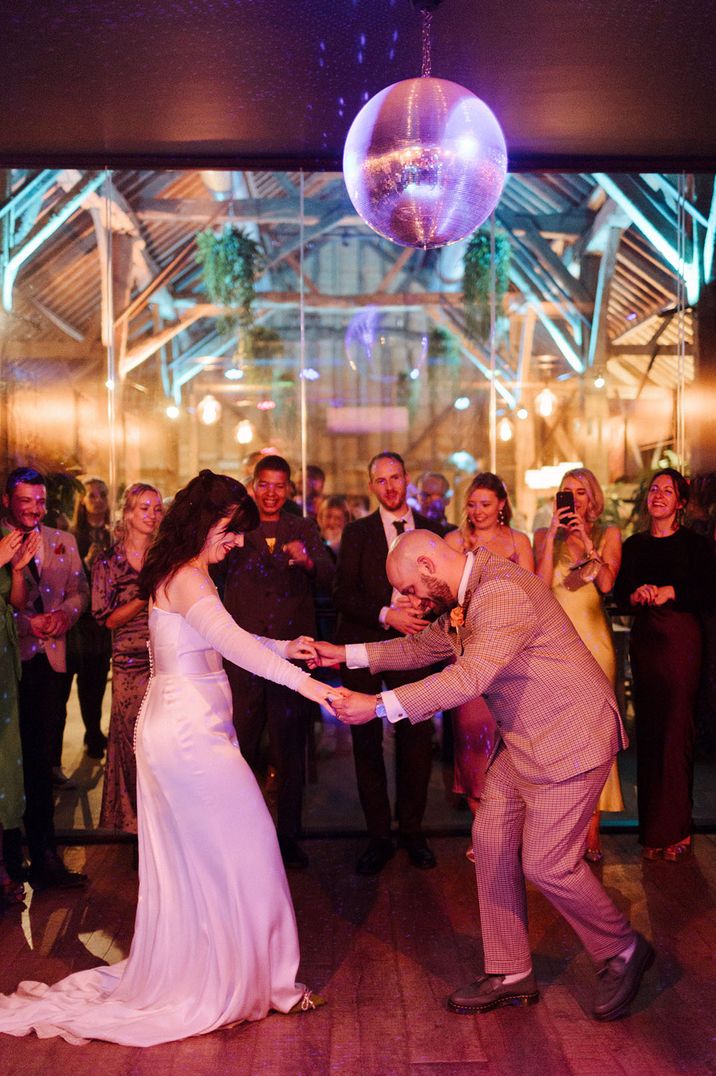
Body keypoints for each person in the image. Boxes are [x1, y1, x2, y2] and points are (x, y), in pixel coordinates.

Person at [0, 470, 334, 1046]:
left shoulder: (190, 575)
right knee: (248, 846)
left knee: (210, 858)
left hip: (191, 728)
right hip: (186, 737)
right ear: (205, 523)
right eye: (231, 531)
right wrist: (317, 689)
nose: (236, 543)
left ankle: (229, 972)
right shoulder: (187, 580)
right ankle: (257, 982)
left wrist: (287, 646)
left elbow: (221, 639)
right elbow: (233, 648)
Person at [314, 530, 654, 1021]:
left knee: (547, 864)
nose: (410, 599)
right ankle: (511, 970)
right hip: (526, 736)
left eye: (409, 588)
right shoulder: (469, 591)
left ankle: (622, 948)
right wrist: (345, 654)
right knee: (492, 839)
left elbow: (468, 679)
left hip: (571, 734)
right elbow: (421, 649)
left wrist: (380, 706)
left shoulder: (499, 593)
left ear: (429, 565)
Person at [221, 455, 335, 870]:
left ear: (289, 489)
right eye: (264, 485)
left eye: (279, 486)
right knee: (242, 745)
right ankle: (240, 835)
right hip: (243, 653)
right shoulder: (235, 527)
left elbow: (327, 573)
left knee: (289, 750)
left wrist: (306, 560)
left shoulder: (302, 527)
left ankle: (287, 837)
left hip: (290, 656)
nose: (271, 493)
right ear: (253, 485)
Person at [333, 452, 443, 875]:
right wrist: (386, 613)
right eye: (381, 480)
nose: (390, 486)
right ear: (371, 486)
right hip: (365, 644)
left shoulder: (432, 533)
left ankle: (412, 831)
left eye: (395, 477)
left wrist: (425, 610)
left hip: (417, 645)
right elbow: (341, 594)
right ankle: (378, 836)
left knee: (416, 741)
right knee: (366, 744)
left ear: (407, 479)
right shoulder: (357, 532)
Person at [614, 468, 715, 861]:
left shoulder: (694, 544)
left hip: (680, 639)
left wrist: (673, 590)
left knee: (676, 730)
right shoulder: (635, 544)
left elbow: (709, 591)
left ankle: (678, 831)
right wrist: (636, 593)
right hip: (646, 642)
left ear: (681, 503)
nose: (657, 495)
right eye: (654, 489)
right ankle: (654, 832)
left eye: (667, 491)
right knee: (651, 732)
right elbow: (620, 593)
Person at [1, 468, 88, 892]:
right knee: (10, 764)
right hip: (9, 664)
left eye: (40, 501)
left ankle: (45, 855)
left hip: (49, 663)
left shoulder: (63, 541)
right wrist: (25, 624)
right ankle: (10, 860)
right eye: (26, 502)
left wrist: (63, 616)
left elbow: (80, 593)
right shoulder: (2, 545)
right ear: (7, 501)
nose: (36, 509)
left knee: (41, 762)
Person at [534, 468, 624, 861]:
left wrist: (587, 542)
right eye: (565, 493)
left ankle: (591, 834)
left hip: (594, 645)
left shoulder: (608, 535)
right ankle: (561, 832)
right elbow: (537, 588)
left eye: (580, 492)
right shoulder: (543, 537)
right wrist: (553, 536)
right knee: (558, 740)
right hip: (554, 650)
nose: (573, 499)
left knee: (595, 741)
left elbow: (606, 584)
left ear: (592, 499)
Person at [445, 474, 534, 852]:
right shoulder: (454, 542)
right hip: (469, 652)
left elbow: (533, 594)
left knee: (513, 742)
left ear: (502, 503)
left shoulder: (518, 542)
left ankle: (512, 833)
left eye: (485, 504)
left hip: (512, 654)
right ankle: (484, 835)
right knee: (473, 740)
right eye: (472, 504)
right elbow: (439, 594)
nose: (477, 511)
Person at [92, 483, 163, 834]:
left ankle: (164, 825)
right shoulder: (108, 561)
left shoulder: (165, 558)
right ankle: (138, 827)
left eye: (157, 508)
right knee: (135, 743)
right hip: (129, 663)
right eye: (144, 508)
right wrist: (142, 597)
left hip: (165, 660)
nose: (152, 515)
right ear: (129, 513)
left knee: (163, 744)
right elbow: (106, 618)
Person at [0, 527, 40, 908]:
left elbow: (15, 604)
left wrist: (15, 571)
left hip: (3, 661)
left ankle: (6, 868)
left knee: (5, 771)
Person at [67, 477, 112, 759]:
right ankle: (92, 731)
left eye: (102, 494)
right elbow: (67, 580)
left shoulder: (112, 535)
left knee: (98, 677)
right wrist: (85, 563)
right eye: (92, 495)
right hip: (82, 620)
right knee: (86, 679)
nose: (97, 499)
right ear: (83, 501)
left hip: (105, 618)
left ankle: (95, 731)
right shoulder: (73, 536)